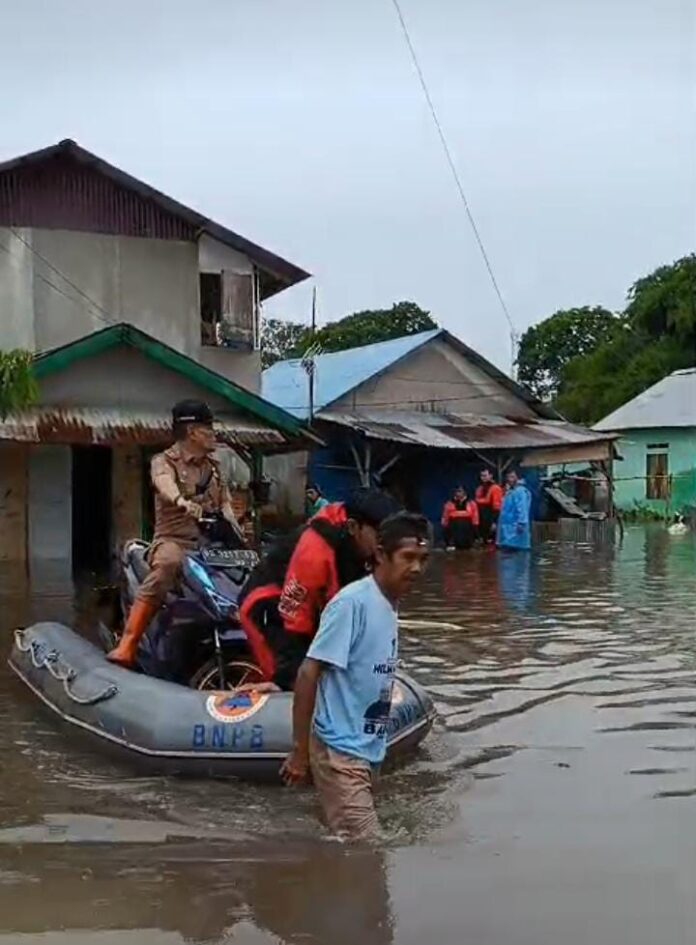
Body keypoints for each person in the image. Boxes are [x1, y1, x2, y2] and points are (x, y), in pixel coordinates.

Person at [281, 512, 431, 841]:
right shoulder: (352, 604)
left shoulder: (388, 604)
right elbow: (309, 672)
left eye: (423, 559)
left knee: (344, 846)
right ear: (380, 555)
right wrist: (299, 751)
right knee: (369, 849)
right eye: (408, 558)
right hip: (340, 750)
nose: (417, 569)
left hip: (366, 748)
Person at [107, 400, 243, 667]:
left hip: (210, 545)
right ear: (192, 432)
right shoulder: (164, 461)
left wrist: (236, 528)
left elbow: (225, 503)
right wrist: (181, 501)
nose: (213, 435)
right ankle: (128, 644)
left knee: (249, 567)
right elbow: (163, 482)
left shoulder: (214, 468)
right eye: (209, 430)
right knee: (167, 565)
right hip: (174, 541)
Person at [239, 488, 401, 690]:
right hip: (270, 605)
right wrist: (289, 680)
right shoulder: (315, 552)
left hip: (316, 604)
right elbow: (295, 617)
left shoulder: (368, 546)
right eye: (380, 536)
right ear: (353, 527)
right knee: (293, 682)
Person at [496, 470, 532, 551]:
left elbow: (523, 508)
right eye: (508, 477)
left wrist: (521, 523)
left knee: (517, 556)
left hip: (515, 529)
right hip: (508, 529)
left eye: (512, 477)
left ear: (518, 478)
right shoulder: (511, 491)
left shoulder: (520, 491)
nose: (509, 479)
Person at [441, 486, 479, 550]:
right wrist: (445, 527)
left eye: (460, 491)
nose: (458, 493)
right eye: (457, 491)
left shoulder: (471, 503)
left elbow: (475, 517)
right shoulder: (449, 504)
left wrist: (475, 528)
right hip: (454, 527)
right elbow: (445, 517)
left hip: (467, 528)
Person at [475, 469, 504, 544]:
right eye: (481, 476)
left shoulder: (495, 488)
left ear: (491, 476)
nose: (483, 478)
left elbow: (497, 506)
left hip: (490, 517)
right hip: (481, 518)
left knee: (491, 541)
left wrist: (494, 522)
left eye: (485, 475)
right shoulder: (480, 488)